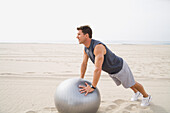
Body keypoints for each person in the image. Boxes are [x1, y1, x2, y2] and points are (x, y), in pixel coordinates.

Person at [77, 25, 152, 106]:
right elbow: (84, 64)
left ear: (86, 35)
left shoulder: (98, 47)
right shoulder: (86, 48)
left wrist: (93, 87)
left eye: (79, 34)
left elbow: (97, 69)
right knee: (126, 84)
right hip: (111, 70)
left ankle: (146, 96)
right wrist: (81, 78)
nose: (77, 37)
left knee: (132, 83)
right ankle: (136, 93)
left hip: (119, 67)